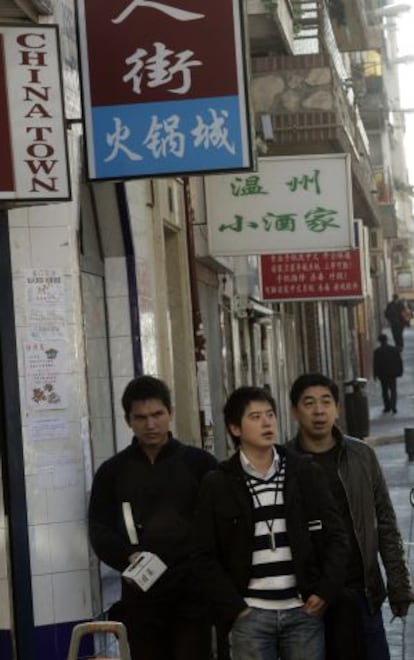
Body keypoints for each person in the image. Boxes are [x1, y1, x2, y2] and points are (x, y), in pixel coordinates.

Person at [192, 385, 348, 660]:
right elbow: (203, 554)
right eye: (255, 417)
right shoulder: (218, 483)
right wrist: (235, 607)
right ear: (235, 429)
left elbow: (337, 536)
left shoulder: (304, 472)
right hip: (250, 614)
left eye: (270, 414)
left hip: (303, 610)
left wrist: (324, 591)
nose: (267, 422)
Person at [88, 375, 218, 660]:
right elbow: (99, 529)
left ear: (170, 413)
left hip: (192, 595)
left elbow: (220, 524)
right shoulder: (112, 472)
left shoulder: (200, 465)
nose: (150, 424)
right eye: (141, 417)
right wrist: (127, 555)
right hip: (141, 594)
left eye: (157, 414)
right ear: (128, 421)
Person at [288, 373, 414, 660]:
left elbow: (385, 522)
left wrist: (399, 584)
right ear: (295, 412)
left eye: (326, 402)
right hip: (307, 600)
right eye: (309, 403)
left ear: (337, 408)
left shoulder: (361, 455)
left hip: (361, 593)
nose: (319, 411)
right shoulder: (286, 463)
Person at [373, 333, 403, 414]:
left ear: (379, 341)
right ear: (387, 340)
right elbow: (399, 361)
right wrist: (400, 372)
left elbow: (375, 364)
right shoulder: (394, 349)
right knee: (393, 390)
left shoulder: (377, 351)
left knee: (385, 391)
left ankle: (387, 407)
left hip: (382, 375)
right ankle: (393, 406)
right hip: (392, 374)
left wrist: (375, 375)